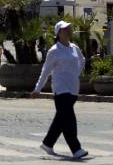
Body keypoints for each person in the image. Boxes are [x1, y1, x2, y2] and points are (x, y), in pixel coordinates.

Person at [32, 20, 88, 160]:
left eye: (69, 28)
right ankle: (76, 149)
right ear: (58, 33)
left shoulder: (74, 47)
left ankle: (47, 143)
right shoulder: (54, 50)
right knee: (69, 119)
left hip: (73, 88)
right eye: (64, 29)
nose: (68, 31)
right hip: (61, 88)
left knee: (61, 119)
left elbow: (82, 60)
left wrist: (76, 73)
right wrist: (37, 89)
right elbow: (45, 71)